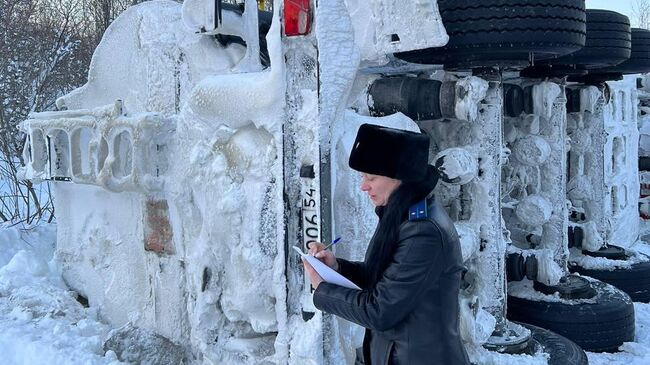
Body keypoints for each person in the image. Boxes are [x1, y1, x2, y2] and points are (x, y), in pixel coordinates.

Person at [302, 123, 470, 365]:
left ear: (399, 176)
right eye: (362, 176)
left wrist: (323, 290)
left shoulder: (424, 231)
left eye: (372, 177)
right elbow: (385, 278)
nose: (363, 185)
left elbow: (380, 311)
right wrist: (338, 267)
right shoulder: (399, 213)